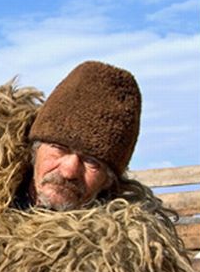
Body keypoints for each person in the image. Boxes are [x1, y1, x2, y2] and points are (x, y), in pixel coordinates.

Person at [13, 60, 142, 211]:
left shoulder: (124, 232)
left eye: (92, 162)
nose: (69, 172)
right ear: (35, 150)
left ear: (108, 181)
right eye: (59, 148)